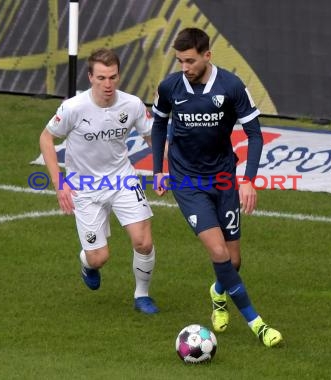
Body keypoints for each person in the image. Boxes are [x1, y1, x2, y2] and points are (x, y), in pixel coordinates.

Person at [151, 28, 282, 345]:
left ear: (208, 55)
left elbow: (254, 135)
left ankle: (218, 293)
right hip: (187, 181)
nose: (185, 67)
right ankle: (258, 324)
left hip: (223, 178)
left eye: (191, 61)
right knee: (219, 251)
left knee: (233, 262)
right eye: (180, 61)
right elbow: (158, 124)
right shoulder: (170, 87)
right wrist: (158, 170)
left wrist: (248, 180)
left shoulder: (232, 86)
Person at [39, 48, 158, 314]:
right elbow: (46, 138)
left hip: (122, 180)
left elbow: (152, 137)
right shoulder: (73, 108)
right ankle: (87, 262)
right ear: (90, 77)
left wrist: (163, 169)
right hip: (84, 188)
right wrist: (61, 184)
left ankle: (142, 296)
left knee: (143, 241)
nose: (108, 84)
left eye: (113, 77)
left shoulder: (132, 104)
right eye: (102, 78)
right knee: (99, 257)